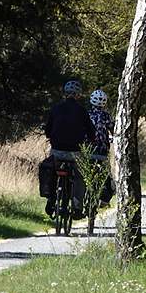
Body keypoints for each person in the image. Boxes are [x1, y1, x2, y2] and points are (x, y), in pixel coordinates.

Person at [43, 80, 96, 215]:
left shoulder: (56, 108)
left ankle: (51, 199)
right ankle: (77, 207)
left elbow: (48, 129)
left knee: (52, 172)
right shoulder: (82, 110)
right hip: (75, 152)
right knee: (79, 176)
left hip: (57, 150)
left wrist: (51, 136)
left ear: (65, 94)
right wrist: (91, 140)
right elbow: (91, 131)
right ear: (78, 95)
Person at [87, 89, 112, 159]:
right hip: (103, 150)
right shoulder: (106, 115)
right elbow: (113, 129)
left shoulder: (86, 114)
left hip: (88, 149)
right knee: (104, 168)